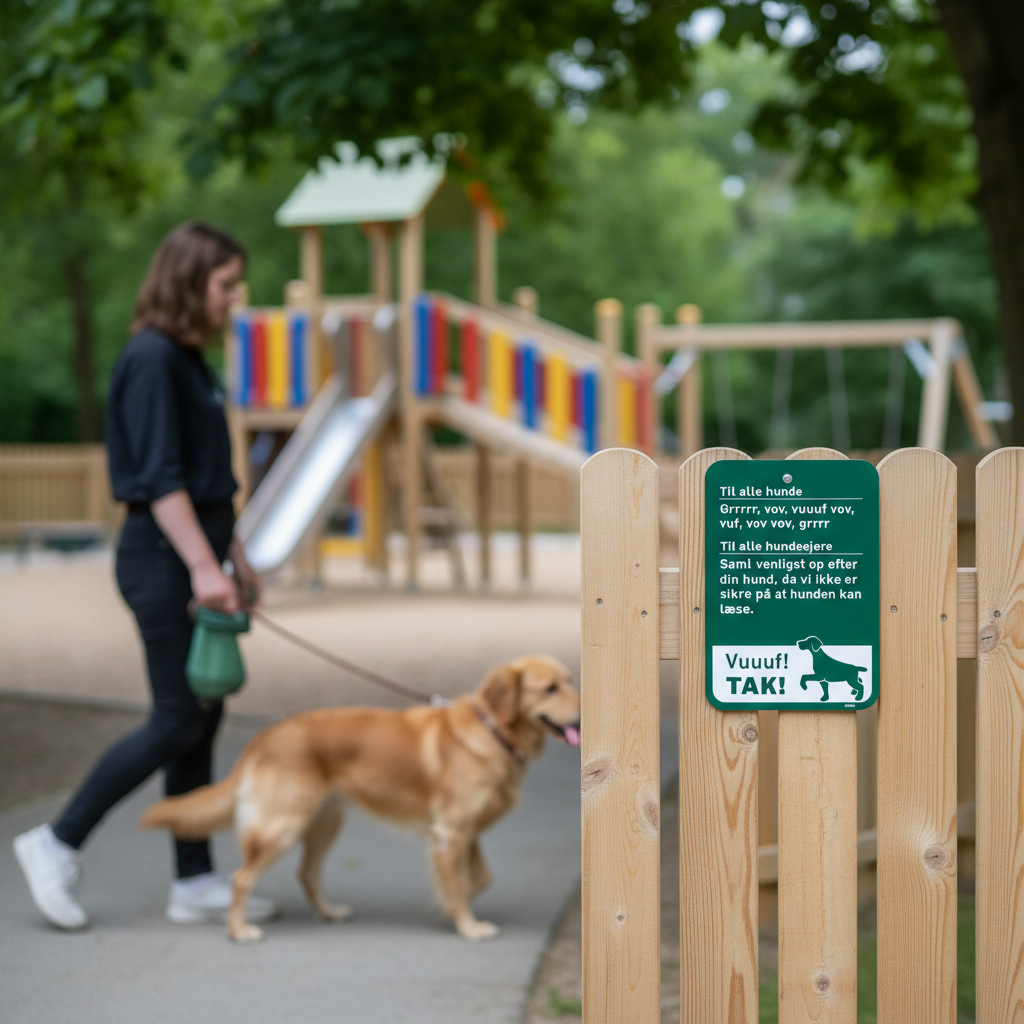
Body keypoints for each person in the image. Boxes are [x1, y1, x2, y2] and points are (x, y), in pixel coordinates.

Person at [13, 222, 275, 930]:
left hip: (197, 555)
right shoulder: (153, 358)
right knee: (176, 717)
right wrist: (200, 566)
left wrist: (233, 558)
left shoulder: (191, 360)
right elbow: (160, 482)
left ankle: (192, 881)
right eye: (224, 284)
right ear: (188, 281)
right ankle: (56, 841)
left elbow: (210, 483)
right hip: (162, 560)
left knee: (204, 712)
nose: (233, 298)